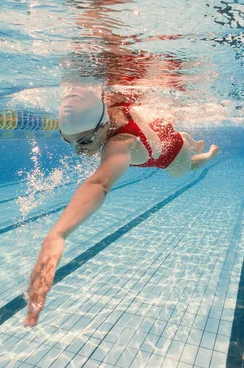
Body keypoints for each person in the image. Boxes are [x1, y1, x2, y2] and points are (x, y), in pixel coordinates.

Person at [24, 87, 220, 327]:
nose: (79, 150)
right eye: (69, 140)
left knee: (184, 168)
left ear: (103, 125)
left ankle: (207, 154)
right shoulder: (108, 105)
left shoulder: (120, 143)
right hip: (158, 129)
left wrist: (58, 234)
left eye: (85, 141)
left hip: (171, 154)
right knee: (174, 136)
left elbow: (99, 184)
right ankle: (190, 141)